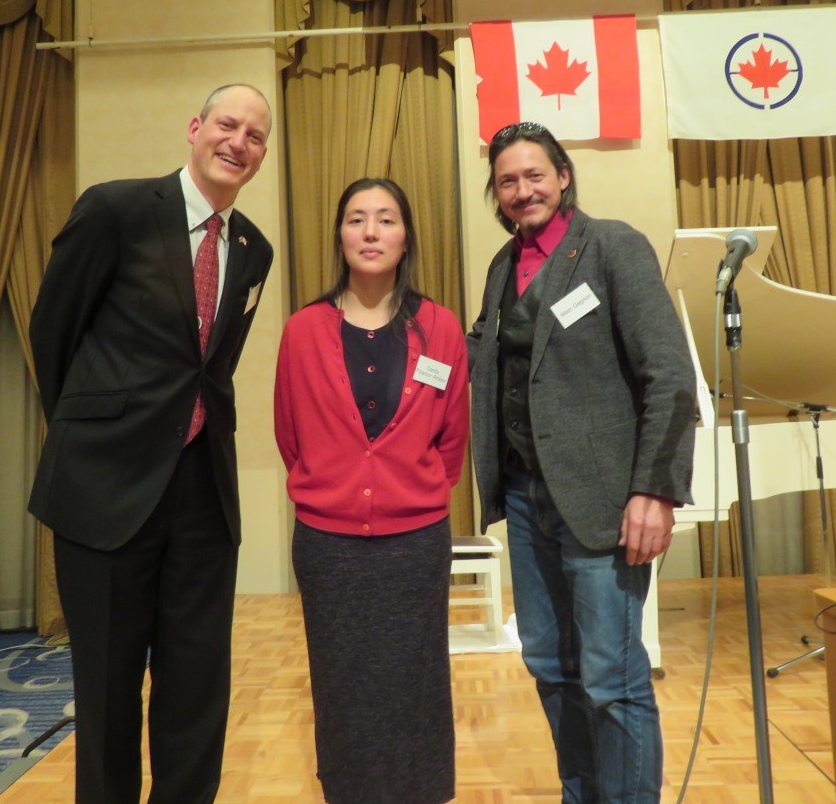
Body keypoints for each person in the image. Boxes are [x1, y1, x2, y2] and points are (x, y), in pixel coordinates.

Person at [27, 84, 274, 804]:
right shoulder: (116, 209)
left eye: (255, 136)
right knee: (106, 690)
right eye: (227, 124)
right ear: (195, 128)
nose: (239, 142)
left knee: (197, 688)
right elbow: (54, 333)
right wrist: (91, 437)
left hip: (201, 494)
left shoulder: (253, 248)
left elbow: (211, 369)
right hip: (104, 490)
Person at [466, 121, 698, 804]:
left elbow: (669, 375)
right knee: (549, 666)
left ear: (563, 176)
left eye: (534, 174)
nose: (521, 189)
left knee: (611, 677)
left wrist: (653, 489)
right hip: (523, 499)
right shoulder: (500, 268)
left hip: (603, 505)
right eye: (507, 180)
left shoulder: (612, 246)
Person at [273, 177, 469, 804]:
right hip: (329, 547)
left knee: (417, 680)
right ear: (340, 236)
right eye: (357, 219)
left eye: (385, 220)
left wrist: (412, 489)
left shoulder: (440, 329)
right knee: (341, 684)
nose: (370, 232)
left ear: (405, 237)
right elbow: (290, 433)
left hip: (414, 543)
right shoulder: (303, 330)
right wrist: (334, 484)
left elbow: (452, 436)